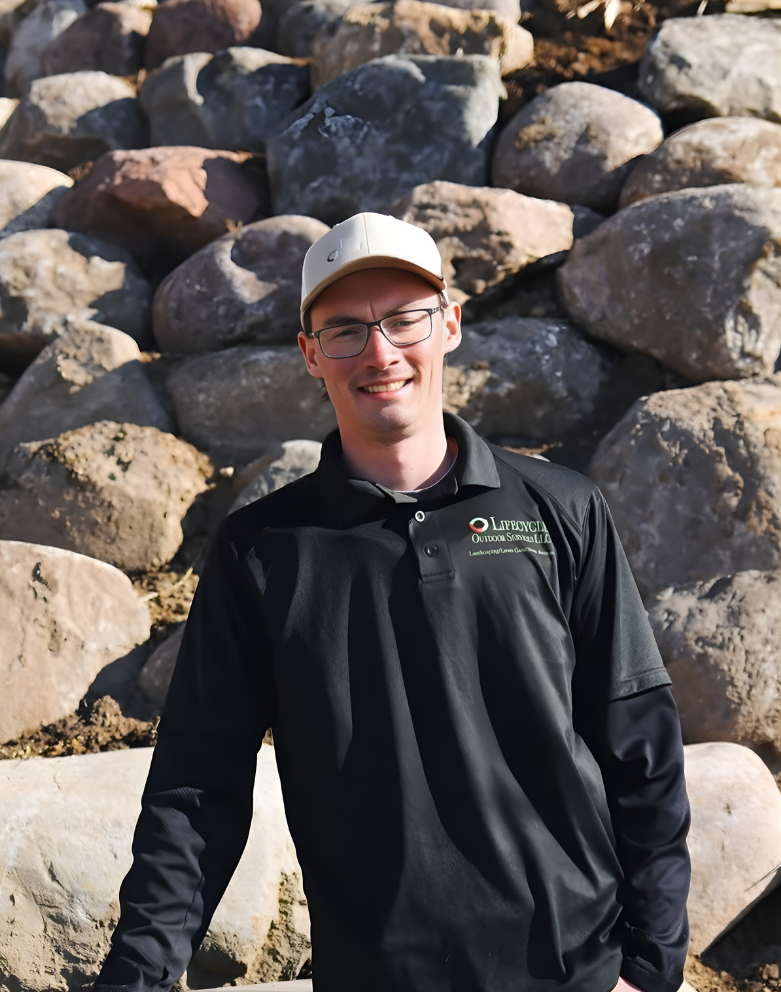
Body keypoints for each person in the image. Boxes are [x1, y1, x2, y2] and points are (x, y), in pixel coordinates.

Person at [94, 213, 692, 992]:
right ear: (310, 354)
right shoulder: (261, 550)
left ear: (448, 323)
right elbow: (197, 788)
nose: (379, 353)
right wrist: (135, 978)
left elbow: (640, 744)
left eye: (404, 319)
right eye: (344, 330)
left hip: (576, 971)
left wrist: (651, 966)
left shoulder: (561, 509)